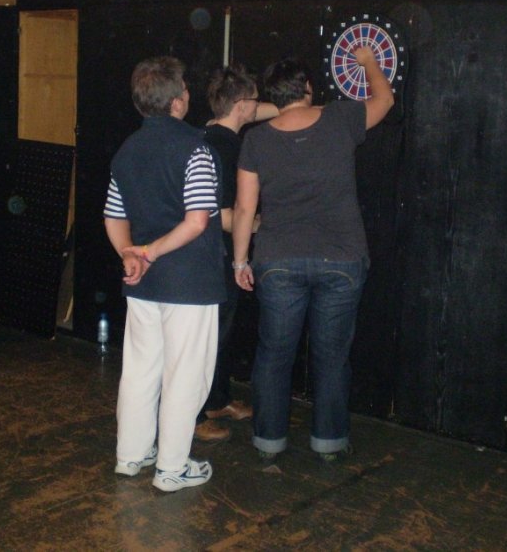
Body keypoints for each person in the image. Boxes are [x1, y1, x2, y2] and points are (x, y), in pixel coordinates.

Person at [231, 46, 393, 461]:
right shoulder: (340, 118)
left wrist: (240, 261)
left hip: (278, 260)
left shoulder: (256, 140)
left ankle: (269, 441)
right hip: (341, 259)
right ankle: (329, 442)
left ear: (272, 95)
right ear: (307, 86)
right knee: (333, 356)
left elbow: (245, 209)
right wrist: (367, 61)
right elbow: (384, 100)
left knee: (274, 355)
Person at [103, 56, 226, 492]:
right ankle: (172, 468)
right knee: (185, 374)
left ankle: (131, 454)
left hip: (143, 285)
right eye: (186, 90)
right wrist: (149, 253)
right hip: (189, 283)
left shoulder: (126, 151)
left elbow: (113, 215)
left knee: (140, 370)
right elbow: (197, 221)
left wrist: (130, 255)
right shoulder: (196, 148)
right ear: (178, 101)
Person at [194, 65, 278, 442]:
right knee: (208, 337)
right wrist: (264, 224)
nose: (259, 108)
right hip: (216, 255)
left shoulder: (209, 132)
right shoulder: (226, 148)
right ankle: (195, 414)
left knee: (221, 335)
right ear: (242, 105)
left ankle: (217, 400)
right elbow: (224, 215)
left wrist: (299, 106)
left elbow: (258, 110)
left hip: (211, 254)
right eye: (255, 102)